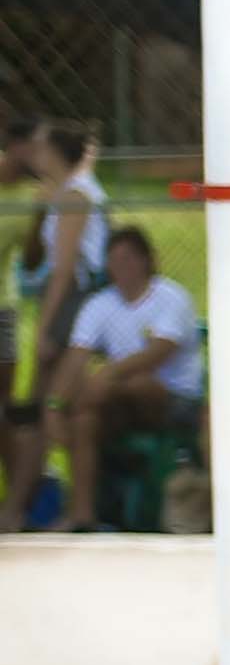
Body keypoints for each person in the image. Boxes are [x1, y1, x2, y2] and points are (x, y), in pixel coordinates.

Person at [48, 224, 202, 530]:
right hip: (116, 400)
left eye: (129, 258)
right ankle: (81, 514)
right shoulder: (99, 304)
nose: (122, 267)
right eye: (114, 259)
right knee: (85, 419)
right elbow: (76, 356)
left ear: (147, 260)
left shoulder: (171, 298)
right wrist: (53, 404)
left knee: (139, 384)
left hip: (174, 401)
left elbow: (158, 353)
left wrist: (105, 377)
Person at [6, 117, 111, 532]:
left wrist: (46, 329)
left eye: (42, 147)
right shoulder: (66, 193)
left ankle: (22, 509)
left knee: (47, 408)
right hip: (68, 300)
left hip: (71, 303)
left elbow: (65, 269)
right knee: (40, 411)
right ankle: (24, 506)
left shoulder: (76, 196)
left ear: (55, 152)